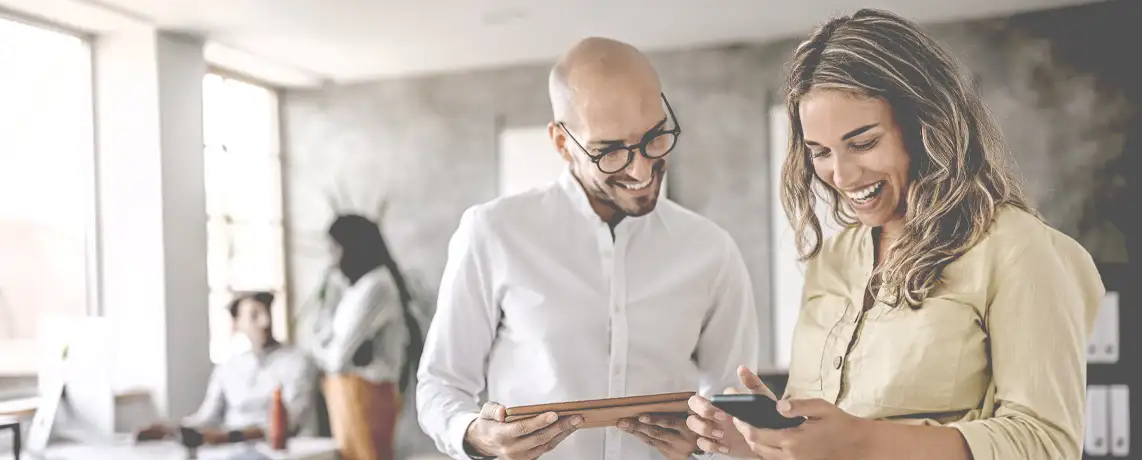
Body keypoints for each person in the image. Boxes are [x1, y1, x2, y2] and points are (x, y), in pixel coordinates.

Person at [685, 8, 1105, 460]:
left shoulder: (1017, 248)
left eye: (863, 142)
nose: (841, 175)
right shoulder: (835, 256)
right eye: (820, 152)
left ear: (925, 123)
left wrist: (863, 442)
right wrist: (757, 442)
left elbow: (1046, 444)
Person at [416, 37, 760, 460]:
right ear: (562, 143)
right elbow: (440, 386)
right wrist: (475, 435)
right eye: (610, 151)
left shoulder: (712, 250)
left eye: (654, 137)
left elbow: (736, 401)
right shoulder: (493, 233)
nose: (641, 168)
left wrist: (711, 442)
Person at [309, 213, 423, 460]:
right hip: (352, 394)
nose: (331, 258)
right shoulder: (359, 288)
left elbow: (337, 357)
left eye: (334, 248)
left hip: (365, 396)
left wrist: (318, 349)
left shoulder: (376, 286)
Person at [136, 292, 317, 444]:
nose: (265, 322)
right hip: (231, 448)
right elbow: (206, 418)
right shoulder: (228, 367)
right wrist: (170, 430)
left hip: (278, 449)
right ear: (237, 323)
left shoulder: (298, 361)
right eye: (254, 316)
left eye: (267, 313)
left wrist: (230, 436)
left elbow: (290, 422)